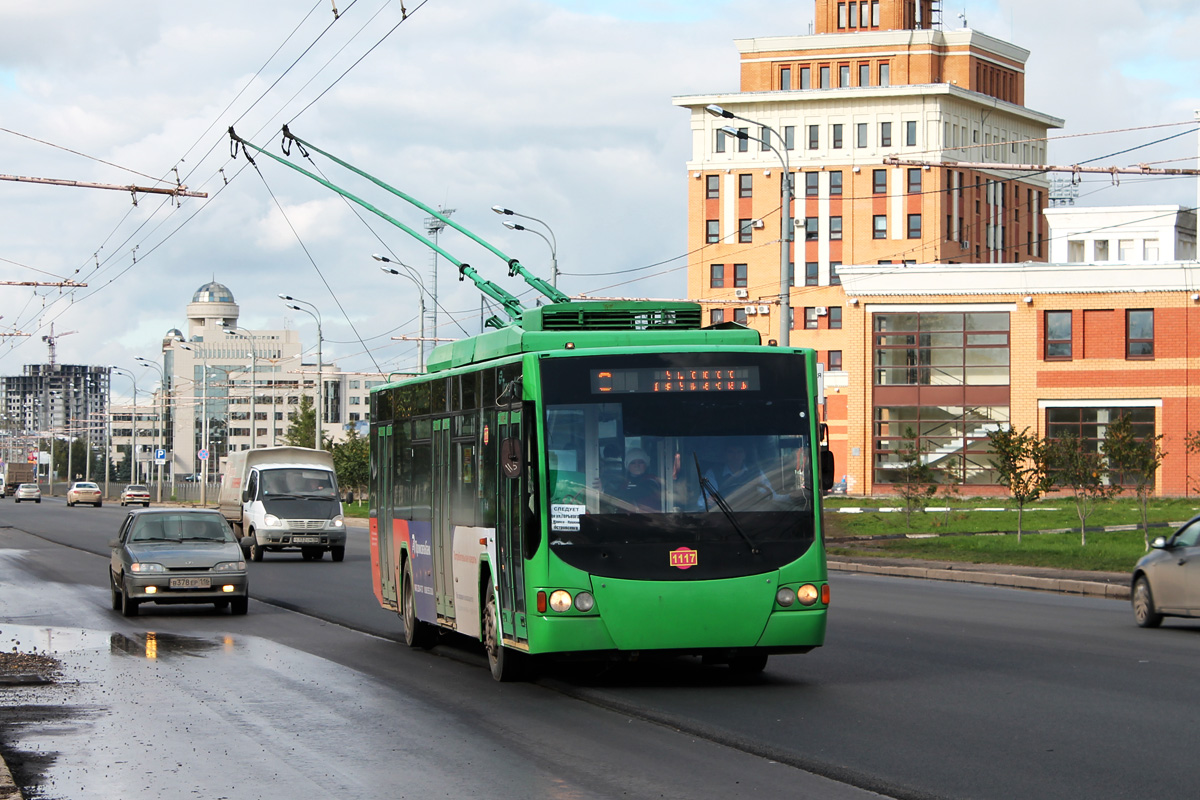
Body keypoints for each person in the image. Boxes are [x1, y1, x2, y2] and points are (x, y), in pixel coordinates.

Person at [703, 443, 775, 507]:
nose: (735, 456)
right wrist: (709, 501)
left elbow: (770, 494)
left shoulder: (755, 472)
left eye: (739, 452)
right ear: (725, 455)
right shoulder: (713, 473)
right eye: (731, 452)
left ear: (744, 454)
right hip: (724, 515)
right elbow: (703, 501)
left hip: (752, 513)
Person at [612, 448, 662, 512]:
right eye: (632, 463)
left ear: (646, 465)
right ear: (628, 466)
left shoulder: (652, 480)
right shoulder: (624, 484)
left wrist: (607, 493)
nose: (637, 465)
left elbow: (638, 492)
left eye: (641, 462)